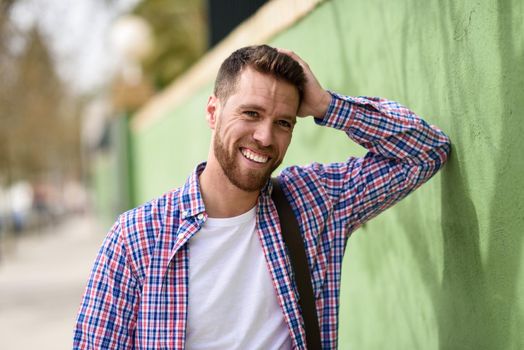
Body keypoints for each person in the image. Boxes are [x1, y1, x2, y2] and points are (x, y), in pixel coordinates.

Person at [74, 45, 450, 349]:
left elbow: (426, 151)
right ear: (213, 112)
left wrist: (327, 106)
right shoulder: (138, 237)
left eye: (283, 122)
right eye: (251, 113)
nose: (266, 137)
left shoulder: (314, 204)